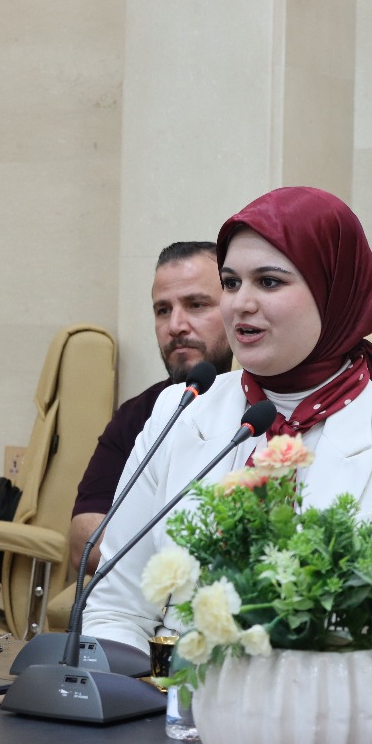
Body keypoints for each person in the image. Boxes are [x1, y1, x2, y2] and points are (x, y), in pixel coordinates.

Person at [81, 187, 372, 671]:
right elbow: (115, 610)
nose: (240, 304)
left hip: (329, 712)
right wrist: (148, 698)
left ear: (332, 291)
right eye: (230, 282)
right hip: (174, 703)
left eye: (268, 281)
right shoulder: (180, 411)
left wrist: (268, 695)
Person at [69, 242, 234, 575]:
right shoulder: (139, 413)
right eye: (163, 310)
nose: (175, 325)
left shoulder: (269, 407)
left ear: (237, 307)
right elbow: (85, 541)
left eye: (196, 305)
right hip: (147, 597)